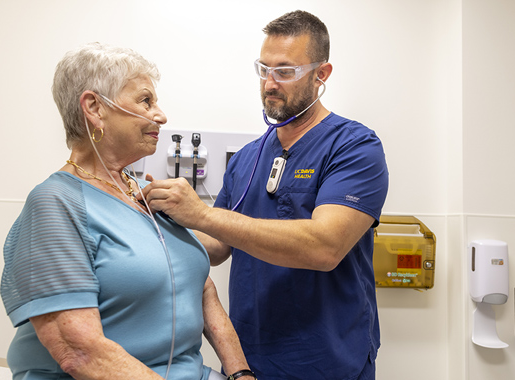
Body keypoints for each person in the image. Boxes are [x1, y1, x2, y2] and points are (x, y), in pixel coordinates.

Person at [143, 10, 389, 380]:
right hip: (250, 359)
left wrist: (201, 213)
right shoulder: (247, 158)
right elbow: (216, 246)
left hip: (329, 359)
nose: (269, 83)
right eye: (263, 69)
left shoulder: (354, 147)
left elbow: (324, 247)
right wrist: (158, 220)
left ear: (321, 75)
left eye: (285, 71)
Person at [0, 43, 256, 380]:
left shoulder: (144, 192)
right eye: (146, 100)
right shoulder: (56, 204)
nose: (161, 115)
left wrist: (240, 373)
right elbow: (82, 353)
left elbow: (202, 287)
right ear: (94, 107)